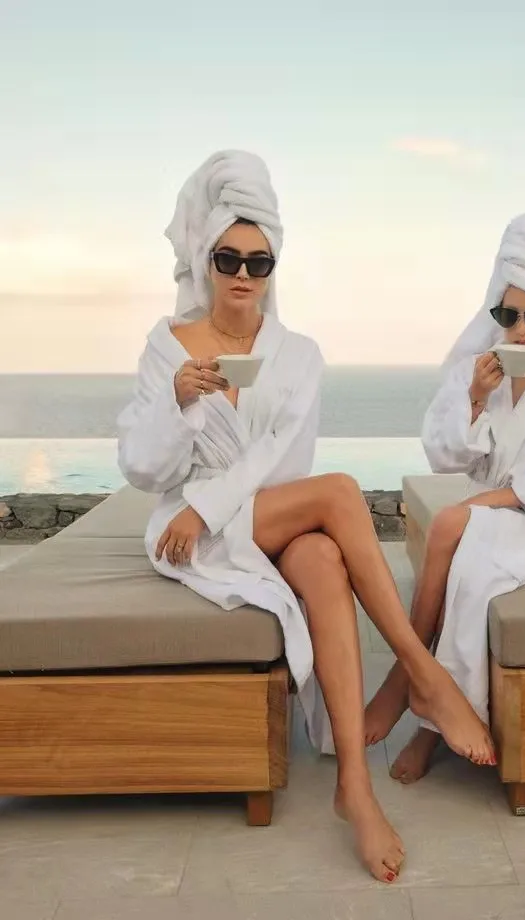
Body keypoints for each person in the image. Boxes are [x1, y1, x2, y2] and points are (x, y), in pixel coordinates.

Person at [117, 150, 494, 883]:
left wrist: (211, 506)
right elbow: (140, 467)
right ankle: (422, 674)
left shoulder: (299, 356)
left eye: (259, 262)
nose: (243, 274)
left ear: (273, 269)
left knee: (322, 558)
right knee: (342, 491)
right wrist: (177, 403)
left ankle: (355, 785)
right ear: (207, 259)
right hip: (188, 531)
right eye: (229, 258)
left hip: (257, 515)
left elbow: (278, 460)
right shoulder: (167, 347)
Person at [364, 211, 525, 783]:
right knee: (458, 537)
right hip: (476, 515)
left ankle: (416, 700)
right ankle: (426, 694)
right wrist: (475, 399)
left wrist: (490, 502)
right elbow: (444, 456)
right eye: (508, 315)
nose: (521, 330)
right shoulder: (480, 374)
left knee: (460, 543)